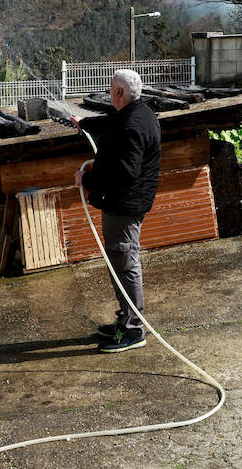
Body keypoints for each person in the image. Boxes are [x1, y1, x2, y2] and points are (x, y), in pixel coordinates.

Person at [73, 69, 161, 353]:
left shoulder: (132, 126)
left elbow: (125, 173)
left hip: (125, 205)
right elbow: (111, 122)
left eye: (111, 89)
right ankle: (126, 318)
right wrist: (84, 123)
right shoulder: (137, 113)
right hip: (123, 203)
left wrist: (86, 180)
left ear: (119, 93)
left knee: (125, 263)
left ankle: (134, 330)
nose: (110, 92)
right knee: (119, 260)